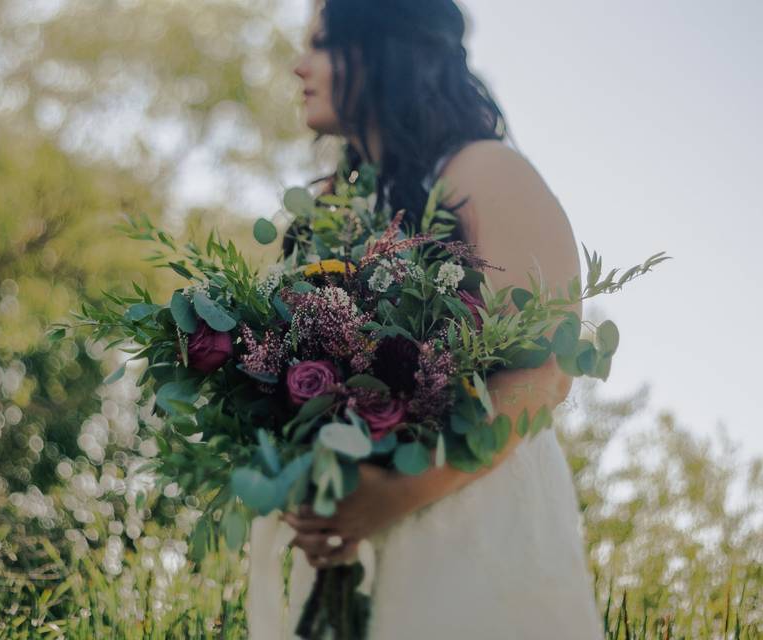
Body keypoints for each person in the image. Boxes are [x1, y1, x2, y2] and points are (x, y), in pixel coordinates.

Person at [246, 0, 603, 638]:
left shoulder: (486, 172)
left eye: (322, 44)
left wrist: (395, 497)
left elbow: (545, 373)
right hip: (344, 538)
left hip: (468, 523)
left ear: (386, 48)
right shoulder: (332, 205)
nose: (299, 67)